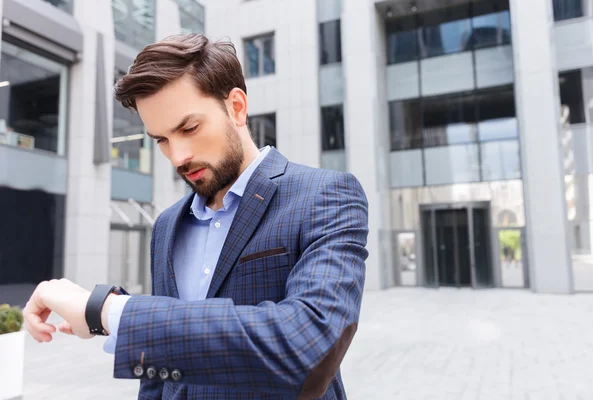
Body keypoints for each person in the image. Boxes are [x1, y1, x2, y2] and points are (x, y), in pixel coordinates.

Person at [23, 33, 369, 400]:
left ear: (236, 107)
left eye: (189, 128)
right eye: (161, 140)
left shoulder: (326, 195)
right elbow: (160, 370)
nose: (178, 157)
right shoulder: (167, 225)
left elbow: (309, 342)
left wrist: (106, 311)